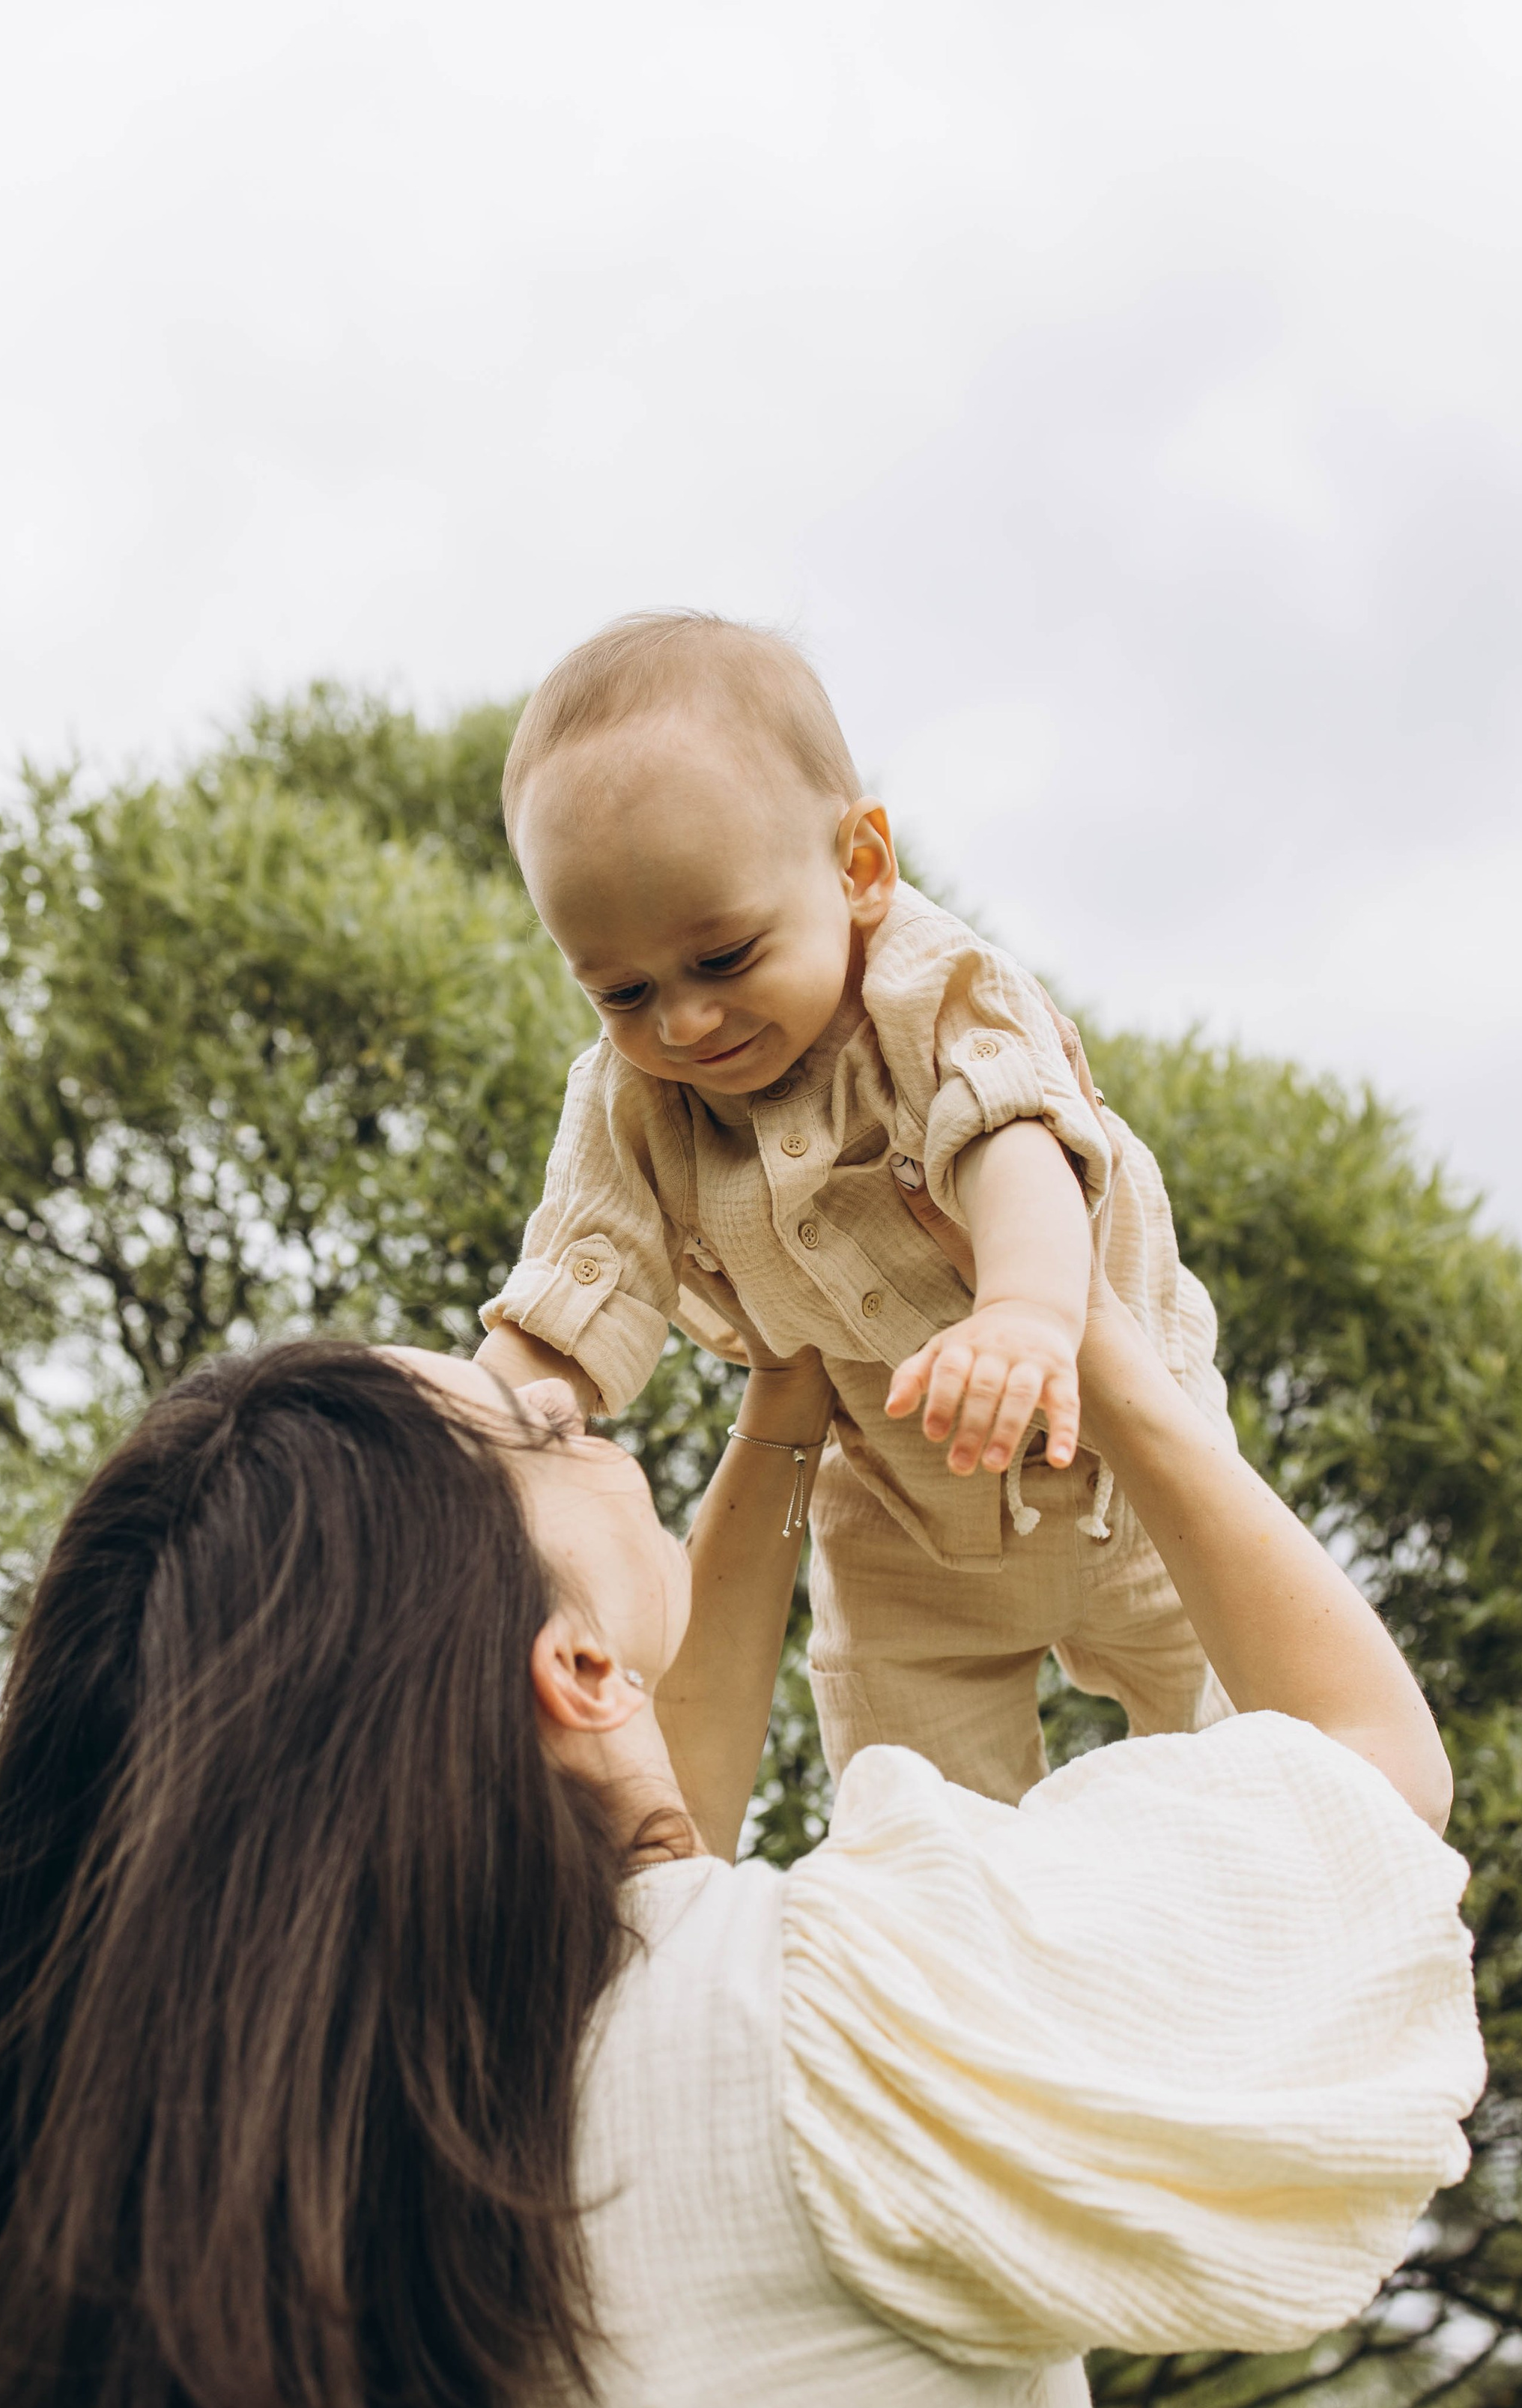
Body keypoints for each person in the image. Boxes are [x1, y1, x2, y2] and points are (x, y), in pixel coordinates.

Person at [0, 1256, 1479, 2408]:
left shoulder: (299, 2188)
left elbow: (654, 1893)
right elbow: (1366, 1784)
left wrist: (778, 1436)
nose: (570, 1400)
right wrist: (1099, 1341)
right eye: (532, 1436)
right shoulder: (831, 2025)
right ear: (577, 1672)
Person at [480, 608, 1237, 1803]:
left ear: (860, 867)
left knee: (1245, 1758)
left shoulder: (938, 992)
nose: (682, 1023)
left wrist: (1029, 1316)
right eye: (621, 990)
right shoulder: (632, 1100)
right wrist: (475, 1434)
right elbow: (582, 1281)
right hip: (900, 1524)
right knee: (916, 1817)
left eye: (724, 958)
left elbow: (1014, 1148)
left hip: (1125, 1481)